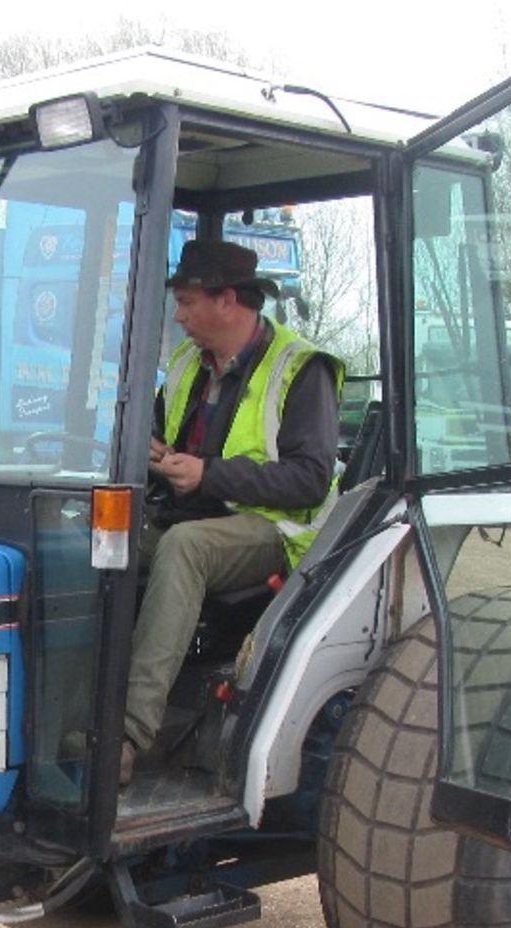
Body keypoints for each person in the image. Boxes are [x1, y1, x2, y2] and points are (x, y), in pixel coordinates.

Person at [122, 239, 343, 784]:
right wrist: (148, 449)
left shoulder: (300, 369)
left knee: (184, 550)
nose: (178, 315)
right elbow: (159, 431)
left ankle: (128, 736)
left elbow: (311, 479)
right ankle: (72, 716)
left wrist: (207, 473)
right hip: (194, 509)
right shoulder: (184, 365)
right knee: (97, 540)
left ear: (227, 302)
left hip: (278, 528)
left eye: (187, 302)